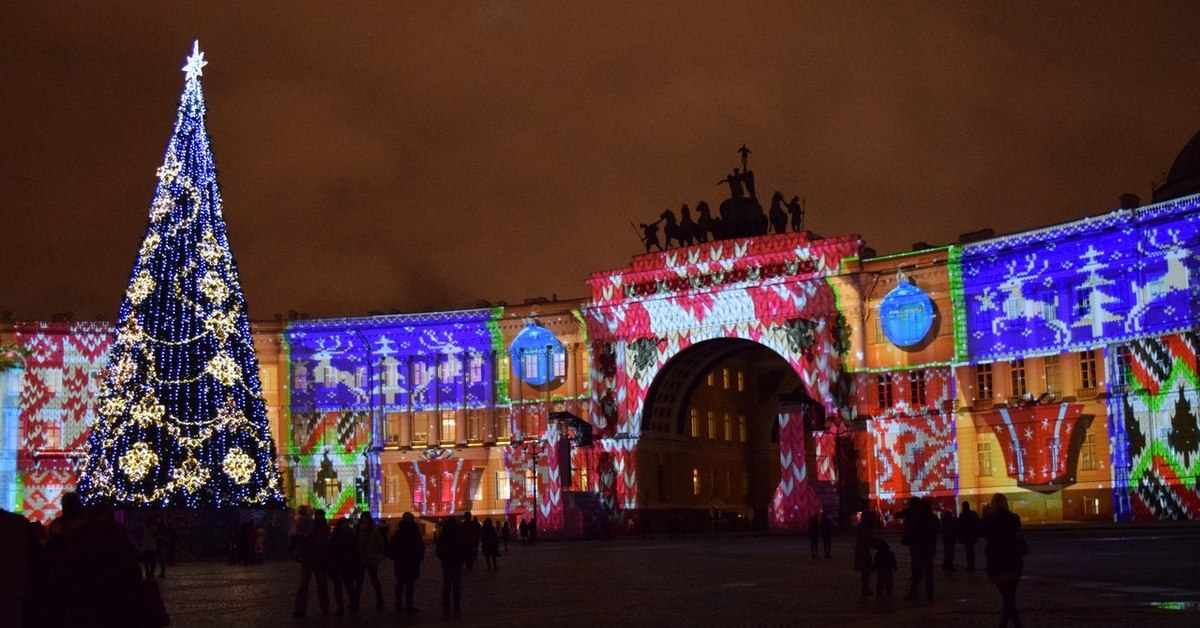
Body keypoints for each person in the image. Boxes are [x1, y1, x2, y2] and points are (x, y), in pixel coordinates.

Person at [57, 504, 149, 628]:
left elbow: (68, 572)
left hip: (87, 603)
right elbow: (133, 573)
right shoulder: (120, 538)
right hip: (119, 603)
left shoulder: (81, 538)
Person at [982, 493, 1025, 628]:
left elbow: (980, 531)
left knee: (1008, 597)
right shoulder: (1012, 518)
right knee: (1009, 597)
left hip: (997, 563)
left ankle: (1007, 624)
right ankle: (1010, 624)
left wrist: (985, 515)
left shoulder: (990, 519)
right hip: (1013, 562)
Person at [899, 497, 939, 601]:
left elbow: (913, 531)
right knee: (928, 571)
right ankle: (930, 593)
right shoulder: (933, 518)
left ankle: (914, 593)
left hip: (919, 548)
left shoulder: (919, 518)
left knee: (916, 571)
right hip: (930, 548)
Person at [293, 509, 330, 618]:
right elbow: (302, 538)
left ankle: (324, 607)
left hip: (318, 560)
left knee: (321, 585)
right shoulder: (311, 526)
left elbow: (321, 542)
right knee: (305, 585)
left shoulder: (323, 528)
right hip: (309, 560)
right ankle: (301, 609)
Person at [387, 512, 425, 613]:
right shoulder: (415, 532)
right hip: (412, 562)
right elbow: (420, 547)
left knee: (400, 583)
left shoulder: (399, 532)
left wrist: (394, 556)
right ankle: (409, 604)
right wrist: (419, 557)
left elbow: (391, 546)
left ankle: (399, 603)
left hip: (400, 562)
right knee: (409, 585)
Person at [353, 513, 386, 610]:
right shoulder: (357, 530)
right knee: (359, 582)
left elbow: (380, 543)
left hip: (371, 559)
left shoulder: (373, 531)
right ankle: (356, 602)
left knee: (374, 580)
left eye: (366, 520)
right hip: (361, 559)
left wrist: (379, 553)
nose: (364, 522)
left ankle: (380, 600)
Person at [328, 518, 359, 615]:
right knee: (339, 587)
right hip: (338, 565)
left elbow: (354, 550)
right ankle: (341, 607)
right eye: (343, 524)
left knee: (348, 586)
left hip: (347, 565)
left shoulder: (350, 536)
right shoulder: (336, 535)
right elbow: (331, 550)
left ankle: (353, 604)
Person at [436, 516, 466, 616]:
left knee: (447, 584)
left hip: (447, 563)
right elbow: (463, 549)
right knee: (456, 585)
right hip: (457, 563)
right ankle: (456, 605)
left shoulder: (443, 536)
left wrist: (444, 557)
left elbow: (438, 551)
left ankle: (446, 605)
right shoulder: (459, 535)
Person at [852, 510, 878, 595]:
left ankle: (865, 587)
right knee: (865, 569)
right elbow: (867, 538)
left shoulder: (862, 526)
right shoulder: (864, 526)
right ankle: (865, 588)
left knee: (865, 570)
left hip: (862, 549)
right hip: (863, 550)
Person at [958, 501, 980, 572]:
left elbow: (959, 526)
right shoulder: (972, 514)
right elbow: (978, 521)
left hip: (966, 535)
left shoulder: (962, 515)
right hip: (971, 535)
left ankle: (970, 565)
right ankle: (971, 565)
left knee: (968, 551)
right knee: (971, 551)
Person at [139, 515, 159, 580]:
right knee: (148, 561)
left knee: (149, 561)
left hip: (150, 546)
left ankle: (150, 573)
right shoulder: (148, 527)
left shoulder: (153, 527)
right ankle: (149, 572)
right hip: (148, 546)